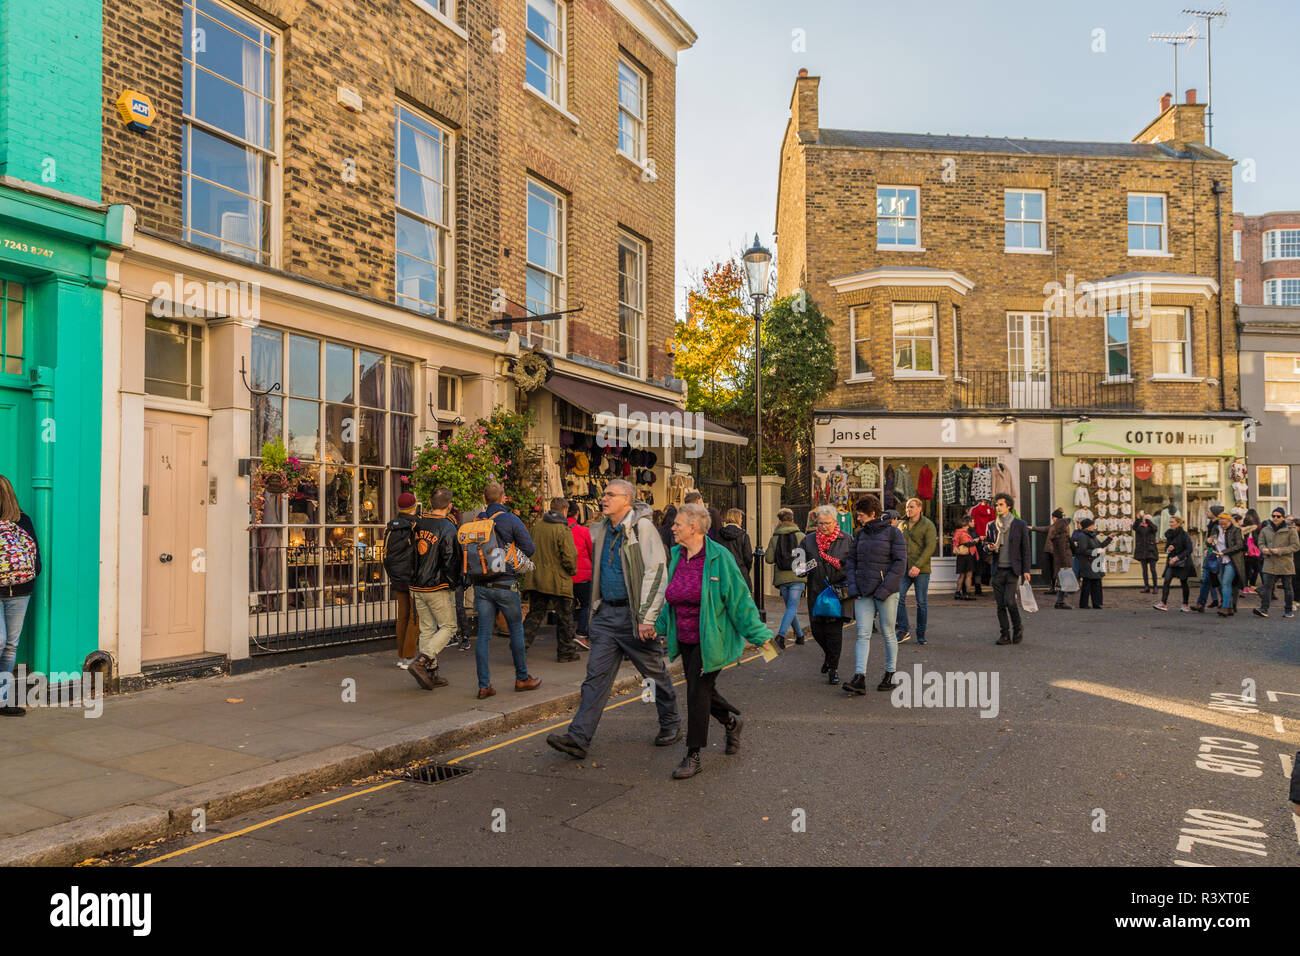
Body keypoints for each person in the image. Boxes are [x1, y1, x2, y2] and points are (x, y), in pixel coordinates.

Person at [546, 479, 680, 760]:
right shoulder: (602, 529)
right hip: (607, 616)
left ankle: (671, 723)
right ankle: (579, 737)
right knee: (595, 678)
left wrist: (647, 618)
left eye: (610, 494)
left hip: (634, 616)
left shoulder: (643, 528)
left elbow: (656, 572)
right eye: (604, 494)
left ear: (627, 500)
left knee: (653, 675)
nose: (603, 498)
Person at [655, 503, 773, 779]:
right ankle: (731, 722)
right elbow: (670, 599)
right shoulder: (677, 555)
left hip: (712, 639)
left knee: (696, 694)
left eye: (677, 524)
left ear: (694, 527)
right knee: (702, 691)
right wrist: (656, 626)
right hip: (684, 638)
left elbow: (739, 601)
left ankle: (693, 755)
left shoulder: (720, 557)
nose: (673, 528)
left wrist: (761, 638)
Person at [470, 482, 541, 699]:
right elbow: (529, 548)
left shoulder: (478, 521)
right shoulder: (511, 519)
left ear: (484, 499)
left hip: (481, 584)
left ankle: (484, 685)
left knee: (483, 635)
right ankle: (522, 678)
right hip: (505, 583)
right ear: (504, 498)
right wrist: (509, 551)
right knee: (516, 629)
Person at [842, 495, 906, 693]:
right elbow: (851, 561)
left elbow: (900, 564)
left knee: (888, 633)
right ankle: (859, 677)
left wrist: (885, 589)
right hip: (863, 592)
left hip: (886, 593)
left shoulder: (894, 533)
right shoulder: (860, 534)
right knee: (862, 633)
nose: (858, 518)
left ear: (872, 513)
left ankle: (889, 674)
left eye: (861, 515)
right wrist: (853, 588)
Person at [404, 487, 460, 690]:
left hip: (416, 585)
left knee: (427, 628)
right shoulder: (448, 528)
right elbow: (450, 560)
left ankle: (431, 672)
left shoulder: (417, 525)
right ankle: (422, 661)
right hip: (437, 585)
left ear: (430, 503)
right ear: (449, 506)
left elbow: (410, 553)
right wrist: (454, 582)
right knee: (449, 627)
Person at [799, 504, 854, 684]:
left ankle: (833, 669)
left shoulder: (847, 539)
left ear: (835, 522)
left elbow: (854, 566)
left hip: (838, 592)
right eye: (820, 523)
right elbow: (797, 568)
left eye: (827, 523)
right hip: (816, 591)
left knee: (834, 632)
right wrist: (810, 565)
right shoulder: (807, 541)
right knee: (816, 630)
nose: (824, 527)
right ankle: (829, 657)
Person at [522, 497, 580, 662]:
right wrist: (572, 571)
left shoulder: (537, 527)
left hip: (536, 578)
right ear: (564, 510)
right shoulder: (563, 529)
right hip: (557, 580)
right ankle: (566, 652)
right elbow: (569, 556)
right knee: (565, 617)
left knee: (535, 615)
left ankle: (520, 646)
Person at [0, 475, 39, 716]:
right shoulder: (23, 521)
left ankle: (2, 700)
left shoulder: (22, 521)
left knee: (10, 646)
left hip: (19, 591)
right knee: (1, 641)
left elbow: (35, 557)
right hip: (20, 588)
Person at [984, 492, 1032, 644]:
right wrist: (989, 547)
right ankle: (1004, 634)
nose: (998, 507)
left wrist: (1026, 570)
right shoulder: (992, 525)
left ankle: (1017, 628)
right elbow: (985, 546)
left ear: (1009, 506)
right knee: (1000, 604)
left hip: (1012, 570)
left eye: (1001, 505)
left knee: (1010, 601)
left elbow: (1026, 549)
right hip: (997, 569)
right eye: (996, 505)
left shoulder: (1019, 524)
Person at [382, 492, 421, 668]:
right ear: (414, 506)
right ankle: (409, 656)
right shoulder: (415, 525)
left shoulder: (391, 527)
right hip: (413, 577)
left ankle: (401, 656)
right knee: (415, 617)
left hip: (397, 577)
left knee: (402, 616)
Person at [894, 497, 935, 646]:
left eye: (911, 507)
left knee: (921, 602)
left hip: (921, 570)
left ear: (919, 508)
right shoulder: (902, 525)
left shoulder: (928, 525)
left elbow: (930, 547)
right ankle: (903, 630)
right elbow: (897, 545)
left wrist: (917, 566)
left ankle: (921, 633)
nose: (908, 509)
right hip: (904, 568)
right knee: (898, 597)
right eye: (907, 507)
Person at [766, 508, 806, 649]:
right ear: (793, 519)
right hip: (797, 576)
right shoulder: (801, 536)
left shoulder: (775, 538)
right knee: (791, 608)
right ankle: (781, 636)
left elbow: (769, 559)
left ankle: (800, 636)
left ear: (780, 521)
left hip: (782, 578)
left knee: (790, 608)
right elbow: (807, 556)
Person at [1254, 507, 1297, 619]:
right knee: (1267, 587)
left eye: (1278, 516)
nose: (1275, 518)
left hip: (1285, 562)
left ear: (1283, 517)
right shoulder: (1266, 529)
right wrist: (1263, 549)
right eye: (1273, 516)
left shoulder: (1290, 529)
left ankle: (1288, 610)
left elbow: (1295, 546)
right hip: (1270, 561)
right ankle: (1263, 609)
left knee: (1287, 587)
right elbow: (1260, 542)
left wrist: (1280, 551)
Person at [1153, 514, 1194, 612]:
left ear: (1178, 523)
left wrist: (1177, 557)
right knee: (1166, 581)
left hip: (1183, 562)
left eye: (1172, 522)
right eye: (1170, 522)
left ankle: (1185, 604)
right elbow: (1166, 548)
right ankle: (1163, 603)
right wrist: (1169, 549)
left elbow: (1189, 549)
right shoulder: (1169, 534)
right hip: (1171, 562)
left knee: (1183, 582)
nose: (1170, 524)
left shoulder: (1184, 534)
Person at [567, 501, 594, 649]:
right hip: (583, 576)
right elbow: (591, 552)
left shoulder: (560, 530)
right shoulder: (583, 531)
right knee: (586, 605)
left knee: (568, 607)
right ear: (577, 514)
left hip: (566, 576)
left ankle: (567, 634)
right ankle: (581, 635)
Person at [1209, 509, 1245, 617]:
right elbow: (1212, 543)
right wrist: (1209, 542)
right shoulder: (1216, 529)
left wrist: (1224, 552)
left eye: (1225, 524)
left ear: (1230, 522)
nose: (1223, 526)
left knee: (1226, 582)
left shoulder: (1236, 530)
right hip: (1219, 560)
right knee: (1222, 584)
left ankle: (1225, 606)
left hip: (1232, 560)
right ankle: (1229, 607)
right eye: (1221, 524)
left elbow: (1239, 545)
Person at [1192, 504, 1227, 611]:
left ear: (1214, 514)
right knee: (1206, 579)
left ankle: (1225, 603)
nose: (1207, 512)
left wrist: (1210, 545)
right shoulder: (1211, 524)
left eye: (1209, 511)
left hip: (1217, 555)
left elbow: (1216, 540)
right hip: (1211, 554)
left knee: (1218, 579)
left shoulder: (1218, 525)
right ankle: (1201, 603)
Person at [1071, 517, 1110, 610]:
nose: (1093, 526)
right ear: (1088, 526)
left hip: (1094, 562)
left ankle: (1094, 603)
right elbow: (1083, 550)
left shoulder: (1092, 536)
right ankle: (1087, 604)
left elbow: (1100, 545)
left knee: (1093, 583)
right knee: (1089, 583)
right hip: (1087, 562)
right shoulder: (1082, 536)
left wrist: (1109, 538)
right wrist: (1096, 552)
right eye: (1092, 525)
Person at [1046, 508, 1073, 609]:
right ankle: (1060, 602)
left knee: (1062, 581)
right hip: (1063, 560)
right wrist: (1065, 564)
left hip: (1059, 560)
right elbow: (1062, 550)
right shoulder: (1062, 536)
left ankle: (1060, 602)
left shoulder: (1057, 533)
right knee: (1063, 581)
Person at [717, 507, 753, 578]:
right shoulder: (743, 536)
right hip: (740, 572)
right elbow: (748, 557)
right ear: (737, 519)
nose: (741, 520)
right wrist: (746, 570)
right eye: (741, 518)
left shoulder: (719, 534)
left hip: (724, 572)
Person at [970, 498, 996, 595]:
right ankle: (991, 583)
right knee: (991, 561)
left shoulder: (974, 510)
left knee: (978, 563)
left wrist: (977, 536)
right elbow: (994, 525)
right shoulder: (991, 510)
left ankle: (977, 586)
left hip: (978, 540)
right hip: (988, 540)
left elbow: (972, 525)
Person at [952, 514, 978, 600]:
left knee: (961, 575)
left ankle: (957, 593)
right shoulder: (963, 532)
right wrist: (976, 541)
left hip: (961, 556)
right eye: (972, 521)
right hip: (967, 556)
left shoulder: (959, 531)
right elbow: (967, 544)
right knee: (968, 575)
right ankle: (967, 594)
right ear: (968, 523)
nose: (974, 523)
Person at [1133, 511, 1159, 594]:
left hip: (1151, 551)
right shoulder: (1140, 527)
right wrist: (1138, 519)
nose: (1145, 520)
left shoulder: (1152, 527)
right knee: (1144, 570)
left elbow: (1155, 529)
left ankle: (1155, 587)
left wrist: (1147, 520)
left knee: (1153, 569)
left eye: (1147, 519)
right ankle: (1146, 586)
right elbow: (1134, 527)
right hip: (1142, 551)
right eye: (1145, 519)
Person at [1241, 508, 1263, 595]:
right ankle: (1252, 586)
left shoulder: (1242, 528)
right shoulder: (1258, 527)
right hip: (1255, 552)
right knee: (1256, 569)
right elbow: (1258, 540)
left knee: (1246, 569)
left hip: (1245, 552)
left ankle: (1245, 587)